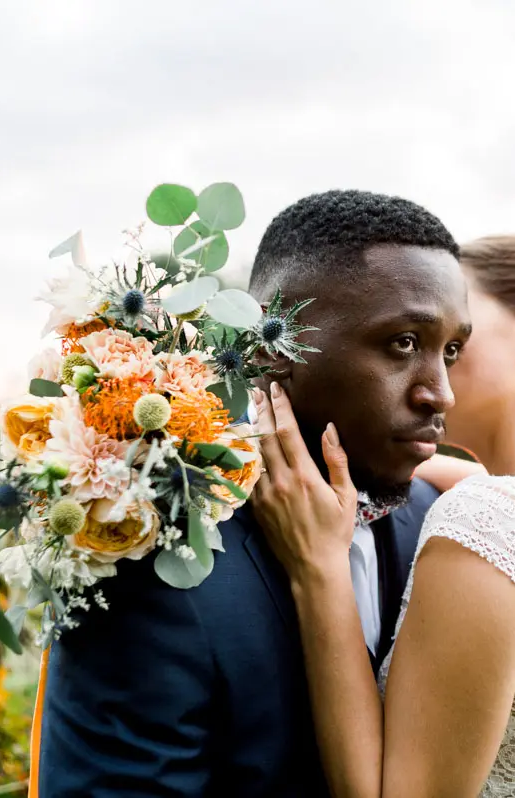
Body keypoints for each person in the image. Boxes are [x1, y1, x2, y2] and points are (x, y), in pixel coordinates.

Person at [35, 189, 472, 797]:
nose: (441, 392)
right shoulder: (155, 562)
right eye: (403, 343)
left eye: (452, 351)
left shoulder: (443, 530)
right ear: (272, 345)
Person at [252, 214, 515, 797]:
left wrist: (319, 568)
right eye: (420, 341)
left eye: (458, 342)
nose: (436, 373)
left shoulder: (498, 524)